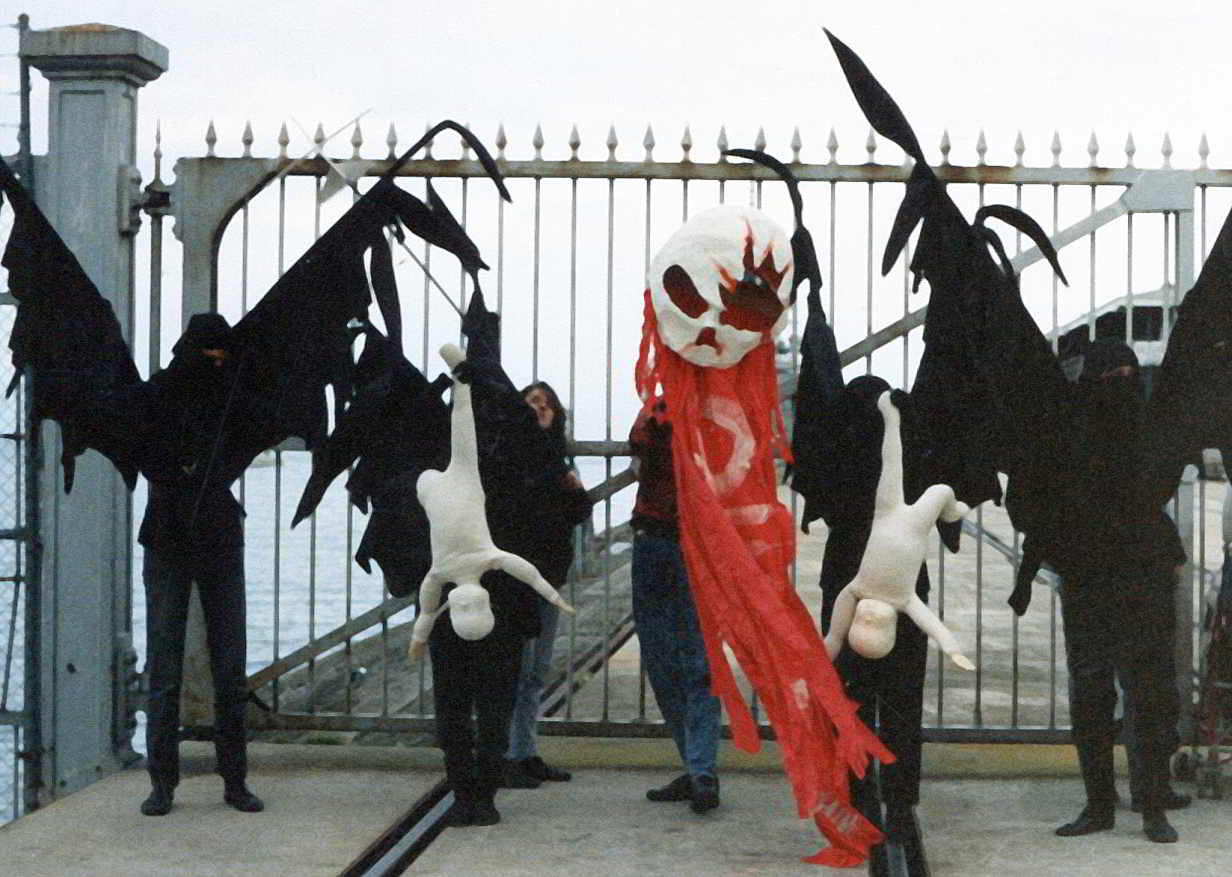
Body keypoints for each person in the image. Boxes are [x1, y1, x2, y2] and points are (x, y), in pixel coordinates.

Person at [1052, 340, 1187, 844]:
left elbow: (1156, 499)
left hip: (1139, 574)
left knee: (1147, 695)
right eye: (1114, 375)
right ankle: (1100, 805)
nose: (1123, 384)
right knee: (1092, 694)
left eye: (1129, 373)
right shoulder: (1068, 434)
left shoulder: (1149, 432)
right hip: (1091, 576)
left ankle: (1152, 805)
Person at [137, 314, 262, 816]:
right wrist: (179, 468)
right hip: (169, 533)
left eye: (222, 355)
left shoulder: (234, 395)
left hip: (216, 534)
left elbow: (242, 447)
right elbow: (147, 451)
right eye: (208, 354)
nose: (215, 363)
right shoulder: (158, 392)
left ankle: (234, 780)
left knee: (229, 667)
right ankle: (162, 783)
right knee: (165, 666)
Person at [628, 400, 722, 813]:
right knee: (694, 660)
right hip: (690, 546)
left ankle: (699, 767)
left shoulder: (658, 411)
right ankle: (699, 768)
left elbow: (639, 445)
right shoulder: (714, 410)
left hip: (659, 541)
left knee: (668, 658)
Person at [501, 381, 594, 788]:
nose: (538, 408)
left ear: (557, 414)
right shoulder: (510, 455)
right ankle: (506, 755)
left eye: (546, 403)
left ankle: (526, 751)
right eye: (531, 402)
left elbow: (576, 515)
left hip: (550, 578)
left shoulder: (558, 459)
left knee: (536, 671)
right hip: (517, 577)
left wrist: (576, 491)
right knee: (515, 669)